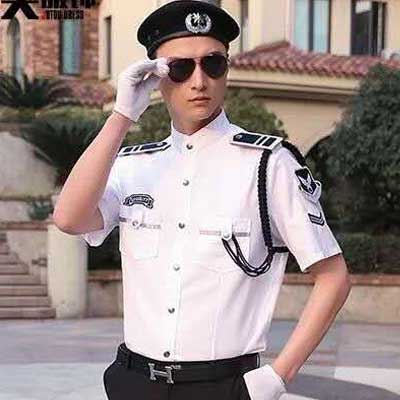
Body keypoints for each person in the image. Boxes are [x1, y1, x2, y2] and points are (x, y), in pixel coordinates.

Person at [53, 1, 352, 399]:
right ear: (157, 76)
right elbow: (69, 219)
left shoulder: (268, 164)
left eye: (213, 64)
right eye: (180, 68)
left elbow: (334, 276)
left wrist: (278, 376)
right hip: (134, 382)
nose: (199, 81)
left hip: (223, 387)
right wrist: (122, 115)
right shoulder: (133, 165)